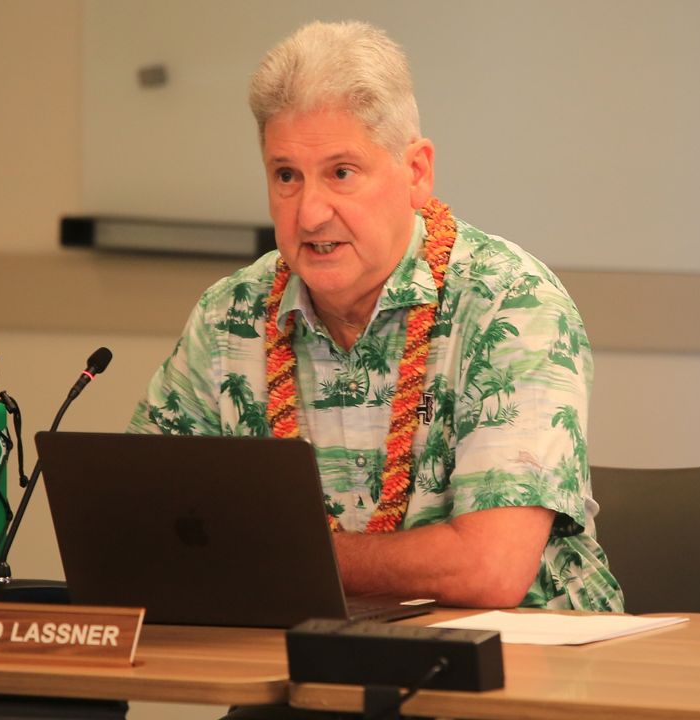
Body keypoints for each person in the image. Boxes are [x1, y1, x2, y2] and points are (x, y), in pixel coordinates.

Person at [129, 20, 621, 613]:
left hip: (518, 671)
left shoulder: (510, 304)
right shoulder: (229, 316)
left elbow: (490, 570)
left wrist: (277, 555)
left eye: (341, 172)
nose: (311, 214)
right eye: (286, 175)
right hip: (306, 671)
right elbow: (142, 530)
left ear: (416, 172)